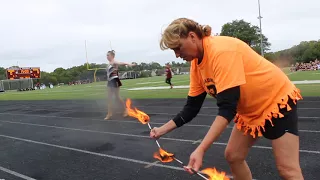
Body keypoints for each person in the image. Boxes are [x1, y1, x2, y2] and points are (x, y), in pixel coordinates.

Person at [150, 18, 304, 180]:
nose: (177, 54)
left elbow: (227, 109)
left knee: (287, 169)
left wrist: (201, 149)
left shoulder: (221, 51)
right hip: (249, 111)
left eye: (178, 47)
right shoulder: (196, 65)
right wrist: (161, 130)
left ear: (192, 36)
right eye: (173, 51)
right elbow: (191, 108)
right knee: (233, 156)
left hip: (275, 101)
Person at [104, 50, 135, 120]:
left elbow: (121, 63)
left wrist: (129, 64)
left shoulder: (114, 62)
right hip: (110, 81)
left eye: (108, 55)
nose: (107, 57)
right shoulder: (108, 64)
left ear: (112, 56)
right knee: (109, 98)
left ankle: (125, 110)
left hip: (115, 80)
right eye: (106, 55)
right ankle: (109, 113)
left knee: (117, 97)